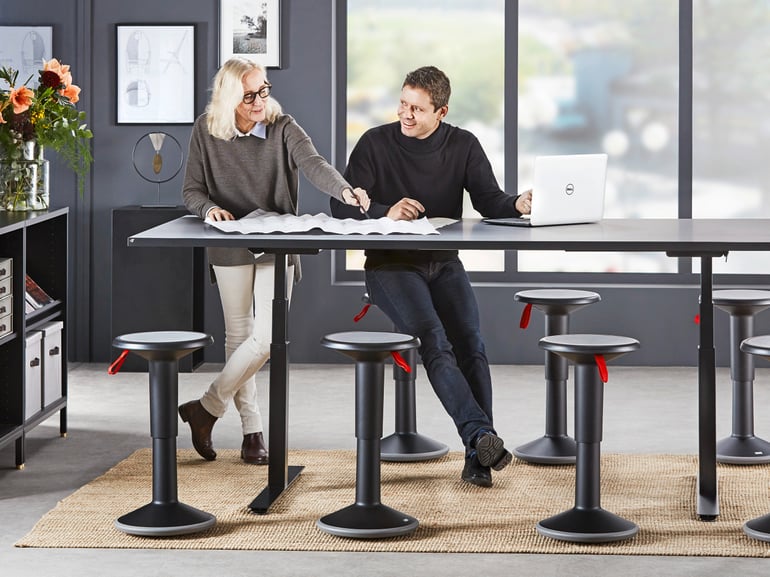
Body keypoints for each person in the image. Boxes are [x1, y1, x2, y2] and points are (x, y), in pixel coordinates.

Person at [331, 65, 531, 487]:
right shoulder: (374, 144)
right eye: (403, 103)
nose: (405, 114)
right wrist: (385, 210)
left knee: (472, 346)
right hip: (390, 266)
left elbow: (490, 200)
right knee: (435, 341)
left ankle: (478, 453)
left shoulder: (463, 145)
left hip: (443, 262)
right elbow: (341, 208)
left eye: (417, 109)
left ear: (441, 112)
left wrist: (518, 204)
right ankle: (481, 437)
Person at [180, 57, 369, 465]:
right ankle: (253, 433)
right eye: (249, 95)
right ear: (229, 98)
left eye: (263, 90)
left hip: (277, 243)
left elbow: (313, 164)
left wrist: (344, 191)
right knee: (238, 335)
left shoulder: (283, 126)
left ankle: (207, 407)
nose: (259, 101)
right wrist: (208, 210)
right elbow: (192, 190)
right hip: (230, 243)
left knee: (265, 337)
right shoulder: (206, 130)